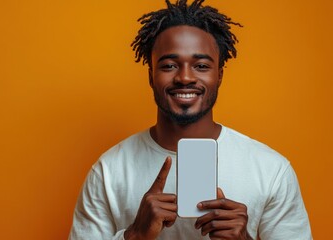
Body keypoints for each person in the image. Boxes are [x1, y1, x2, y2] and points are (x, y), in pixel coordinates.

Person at [68, 0, 312, 239]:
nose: (185, 77)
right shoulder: (108, 171)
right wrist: (135, 236)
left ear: (219, 75)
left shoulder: (271, 170)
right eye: (170, 65)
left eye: (201, 65)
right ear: (151, 76)